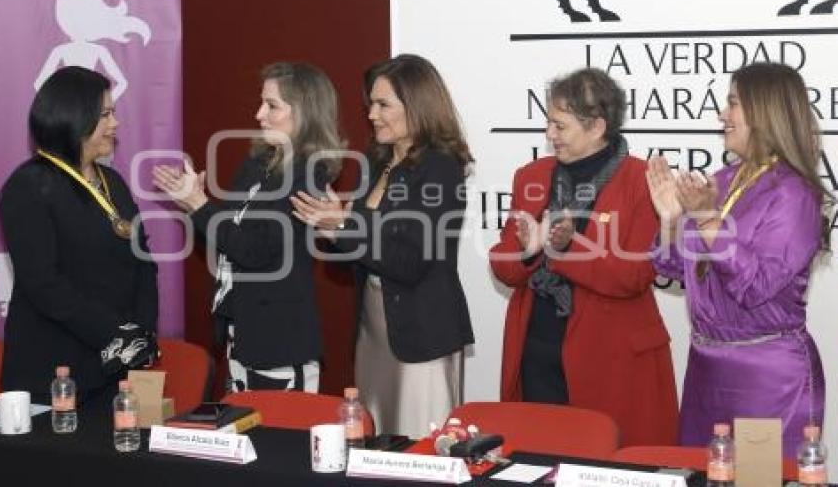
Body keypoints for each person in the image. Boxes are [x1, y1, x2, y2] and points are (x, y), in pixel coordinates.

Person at [647, 62, 830, 456]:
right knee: (701, 477)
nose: (721, 115)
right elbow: (674, 267)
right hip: (706, 369)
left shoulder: (794, 194)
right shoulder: (725, 179)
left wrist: (708, 219)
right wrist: (670, 220)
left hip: (765, 377)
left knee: (757, 480)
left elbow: (757, 285)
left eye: (732, 104)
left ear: (764, 112)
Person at [490, 67, 678, 446]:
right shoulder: (531, 176)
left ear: (596, 127)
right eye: (548, 124)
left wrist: (564, 250)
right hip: (538, 352)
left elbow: (635, 276)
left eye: (560, 126)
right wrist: (528, 254)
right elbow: (504, 264)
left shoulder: (641, 180)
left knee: (606, 464)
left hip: (614, 360)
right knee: (538, 458)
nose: (549, 134)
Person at [291, 54, 474, 437]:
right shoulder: (376, 163)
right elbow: (350, 260)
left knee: (419, 445)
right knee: (373, 443)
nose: (372, 114)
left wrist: (341, 226)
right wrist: (330, 228)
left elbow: (411, 261)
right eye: (370, 104)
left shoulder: (441, 168)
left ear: (418, 106)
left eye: (383, 104)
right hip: (373, 334)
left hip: (421, 336)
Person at [153, 62, 341, 392]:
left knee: (278, 439)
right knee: (243, 435)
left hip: (279, 341)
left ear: (305, 112)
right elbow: (226, 240)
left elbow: (256, 252)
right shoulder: (257, 164)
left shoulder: (310, 173)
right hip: (241, 331)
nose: (259, 114)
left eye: (272, 106)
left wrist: (200, 205)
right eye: (262, 103)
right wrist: (191, 203)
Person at [0, 66, 159, 407]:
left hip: (119, 369)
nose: (115, 124)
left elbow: (143, 260)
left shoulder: (112, 181)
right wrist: (114, 334)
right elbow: (43, 283)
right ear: (73, 118)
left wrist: (140, 335)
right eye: (105, 115)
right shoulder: (29, 186)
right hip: (55, 374)